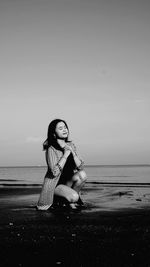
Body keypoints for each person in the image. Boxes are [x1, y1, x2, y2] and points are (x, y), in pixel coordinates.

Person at [37, 119, 87, 210]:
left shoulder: (71, 145)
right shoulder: (51, 149)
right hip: (55, 185)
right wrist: (65, 154)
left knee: (83, 175)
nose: (64, 130)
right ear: (54, 133)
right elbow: (54, 172)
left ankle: (70, 201)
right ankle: (67, 199)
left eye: (65, 127)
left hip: (67, 182)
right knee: (74, 197)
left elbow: (80, 167)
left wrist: (73, 153)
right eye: (60, 128)